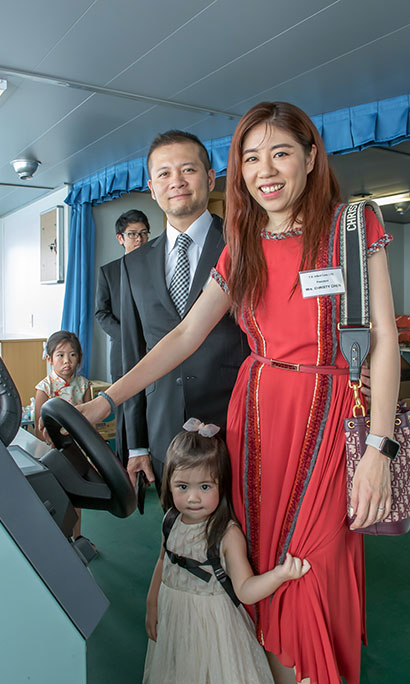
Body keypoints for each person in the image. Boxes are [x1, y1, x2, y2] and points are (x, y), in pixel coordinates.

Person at [79, 101, 399, 684]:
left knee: (310, 580)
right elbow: (182, 337)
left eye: (280, 153)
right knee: (268, 582)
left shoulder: (353, 227)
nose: (265, 170)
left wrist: (377, 450)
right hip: (254, 424)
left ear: (310, 157)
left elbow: (382, 339)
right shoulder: (243, 245)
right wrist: (109, 399)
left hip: (330, 420)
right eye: (250, 158)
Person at [143, 420, 310, 684]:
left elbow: (245, 589)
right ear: (168, 483)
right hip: (176, 621)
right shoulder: (171, 521)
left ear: (222, 484)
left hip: (215, 630)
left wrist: (280, 575)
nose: (193, 498)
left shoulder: (226, 532)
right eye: (183, 487)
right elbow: (162, 561)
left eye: (204, 487)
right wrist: (151, 602)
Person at [120, 130, 248, 488]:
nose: (175, 181)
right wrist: (137, 443)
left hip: (234, 424)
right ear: (152, 186)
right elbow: (133, 354)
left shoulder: (243, 246)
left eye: (187, 170)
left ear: (209, 178)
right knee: (174, 532)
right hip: (164, 431)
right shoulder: (133, 264)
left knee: (237, 536)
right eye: (164, 173)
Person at [95, 209, 150, 462]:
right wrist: (128, 337)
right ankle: (122, 467)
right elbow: (101, 313)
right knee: (125, 409)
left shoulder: (157, 266)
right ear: (120, 239)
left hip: (155, 350)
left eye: (143, 233)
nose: (138, 239)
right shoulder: (109, 272)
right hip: (122, 352)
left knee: (153, 408)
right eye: (132, 234)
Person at [35, 330, 91, 537]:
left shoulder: (84, 384)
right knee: (58, 495)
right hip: (54, 452)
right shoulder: (45, 387)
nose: (67, 361)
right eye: (60, 355)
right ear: (49, 359)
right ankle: (57, 540)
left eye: (73, 355)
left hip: (78, 450)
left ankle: (78, 537)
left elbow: (89, 421)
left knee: (77, 496)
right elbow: (38, 425)